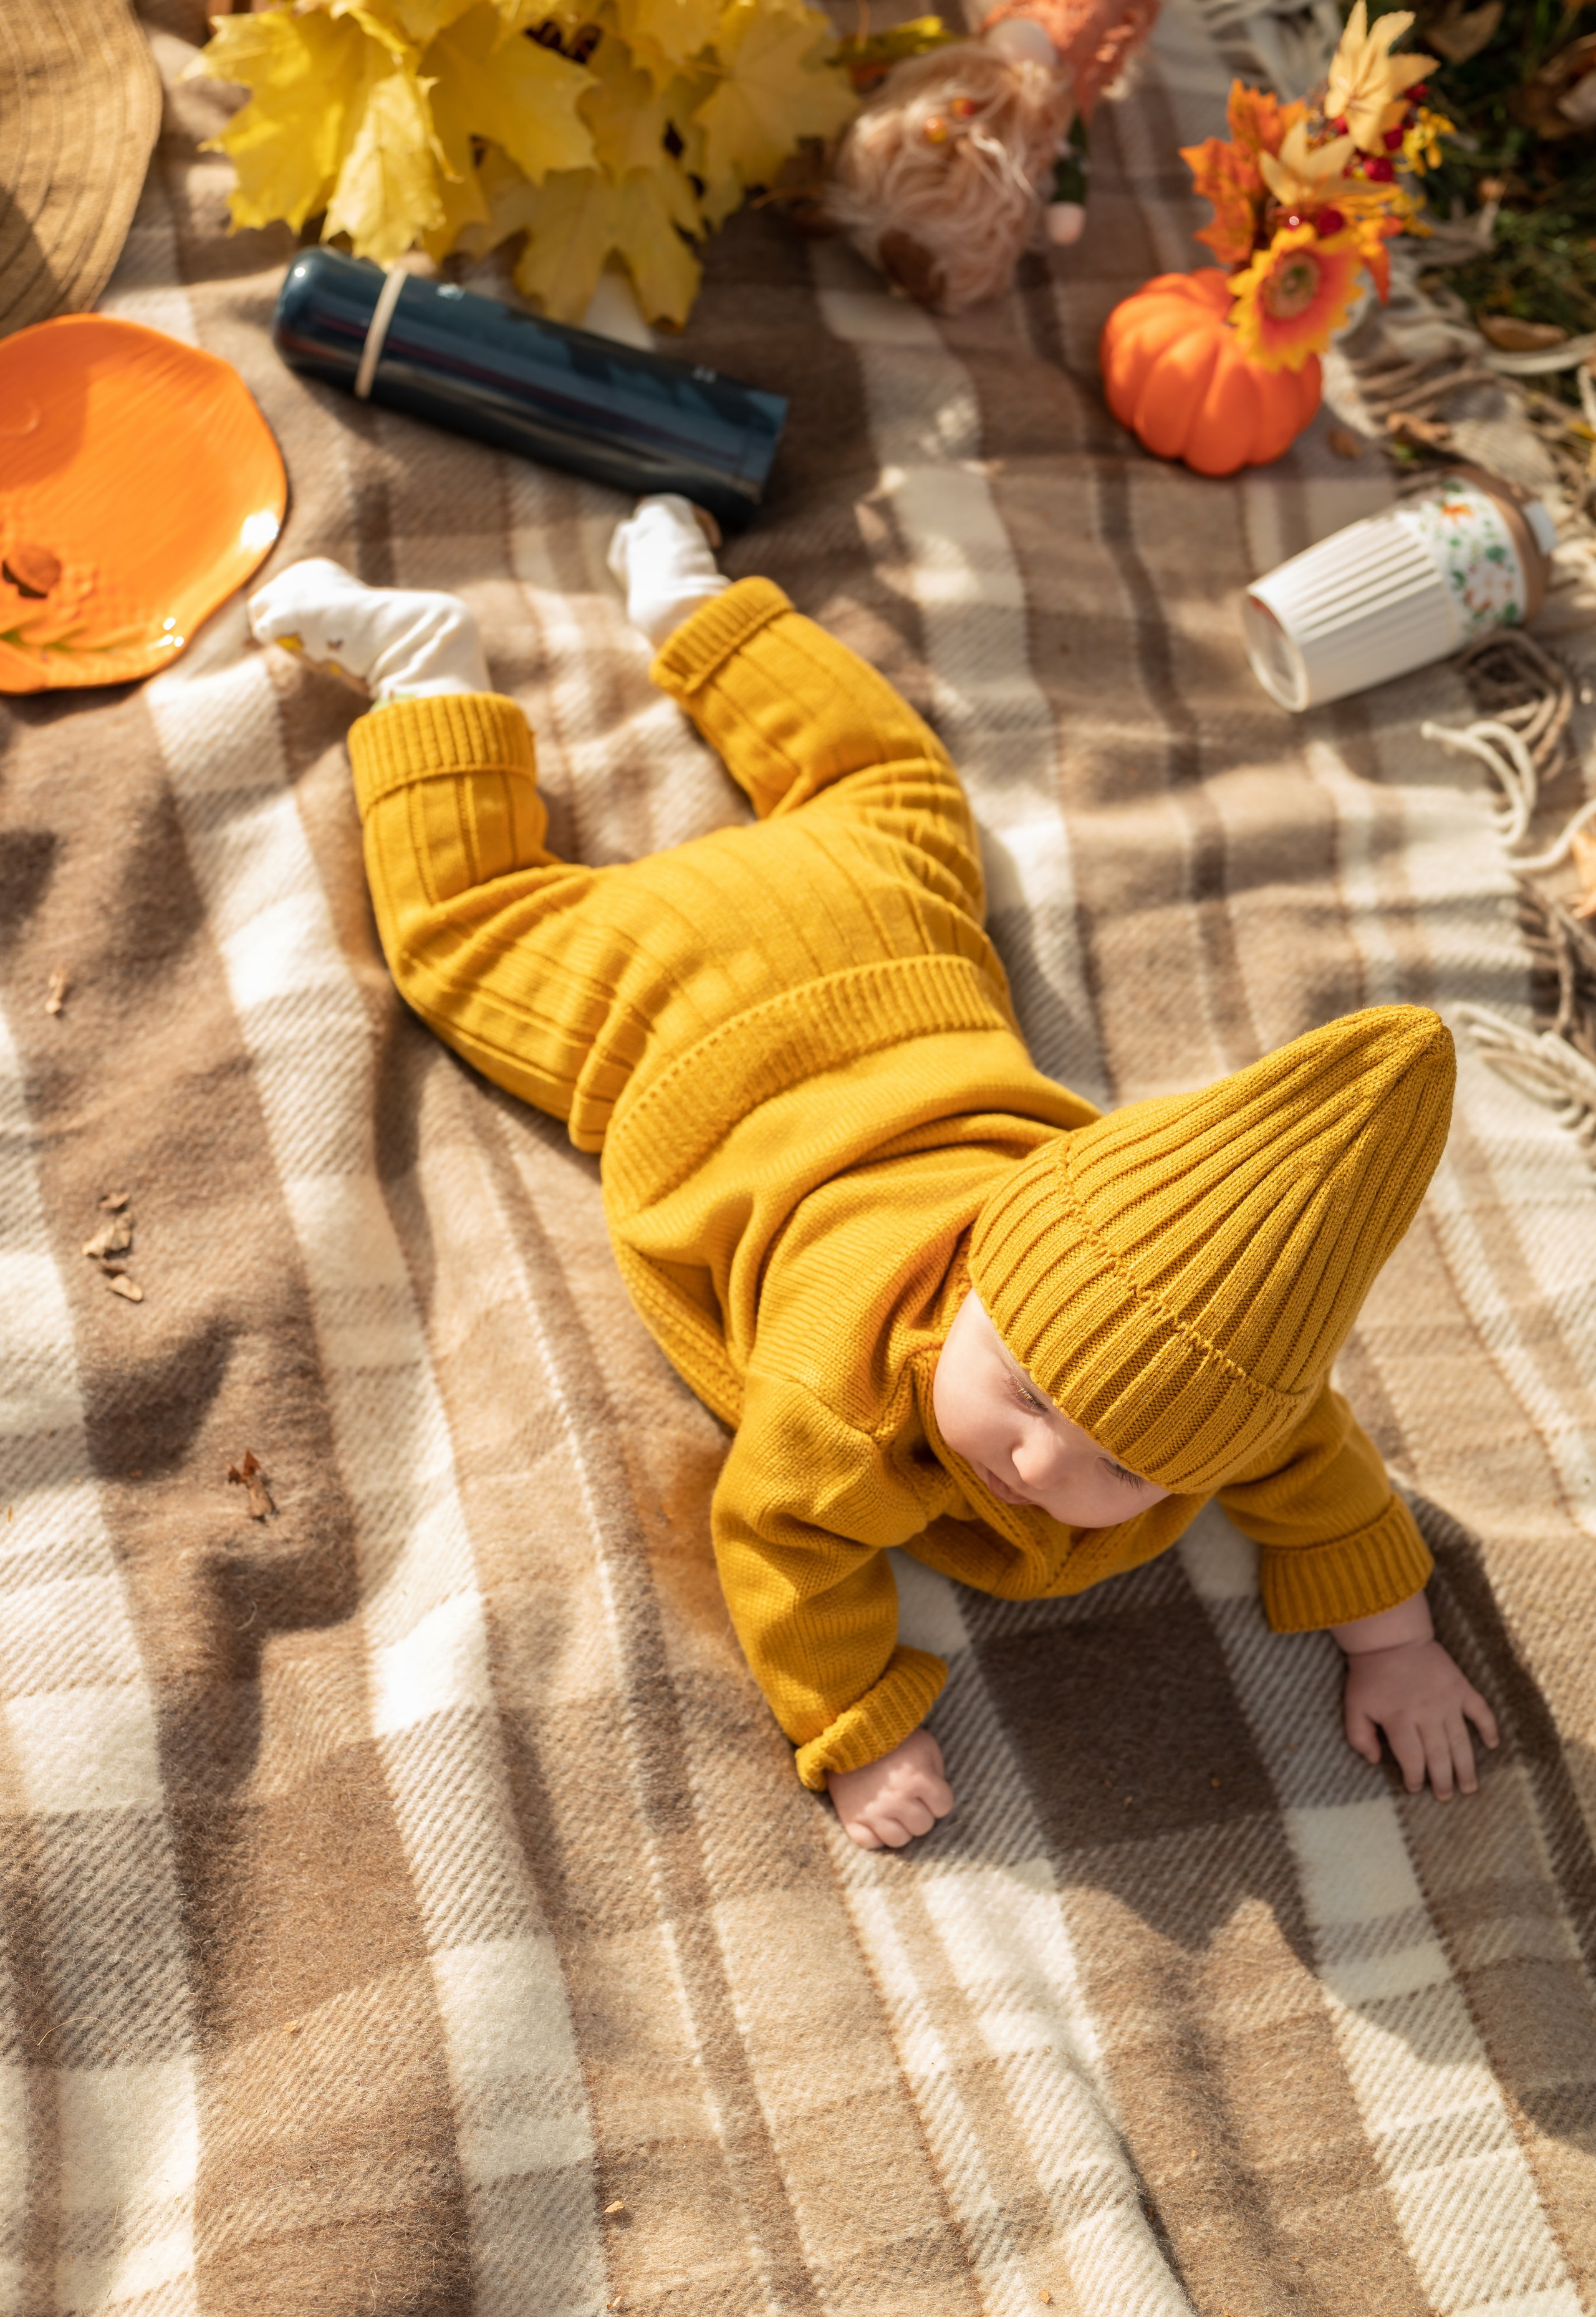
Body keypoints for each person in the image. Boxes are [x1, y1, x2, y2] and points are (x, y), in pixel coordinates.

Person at [249, 496, 1499, 1849]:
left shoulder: (1213, 1379)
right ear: (975, 1272)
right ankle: (442, 671)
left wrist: (1395, 1639)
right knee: (464, 932)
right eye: (1023, 1388)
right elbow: (779, 1548)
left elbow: (1316, 1460)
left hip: (884, 921)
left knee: (885, 781)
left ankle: (693, 609)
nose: (1034, 1459)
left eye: (1120, 1468)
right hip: (670, 1012)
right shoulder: (836, 1402)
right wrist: (852, 1723)